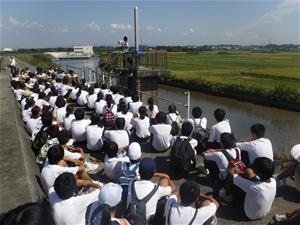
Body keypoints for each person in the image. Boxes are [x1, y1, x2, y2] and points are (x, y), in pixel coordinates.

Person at [126, 158, 176, 222]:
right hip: (147, 221)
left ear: (139, 171)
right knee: (165, 182)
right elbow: (173, 188)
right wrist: (167, 177)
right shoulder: (156, 189)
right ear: (153, 172)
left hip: (130, 217)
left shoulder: (132, 183)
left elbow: (138, 177)